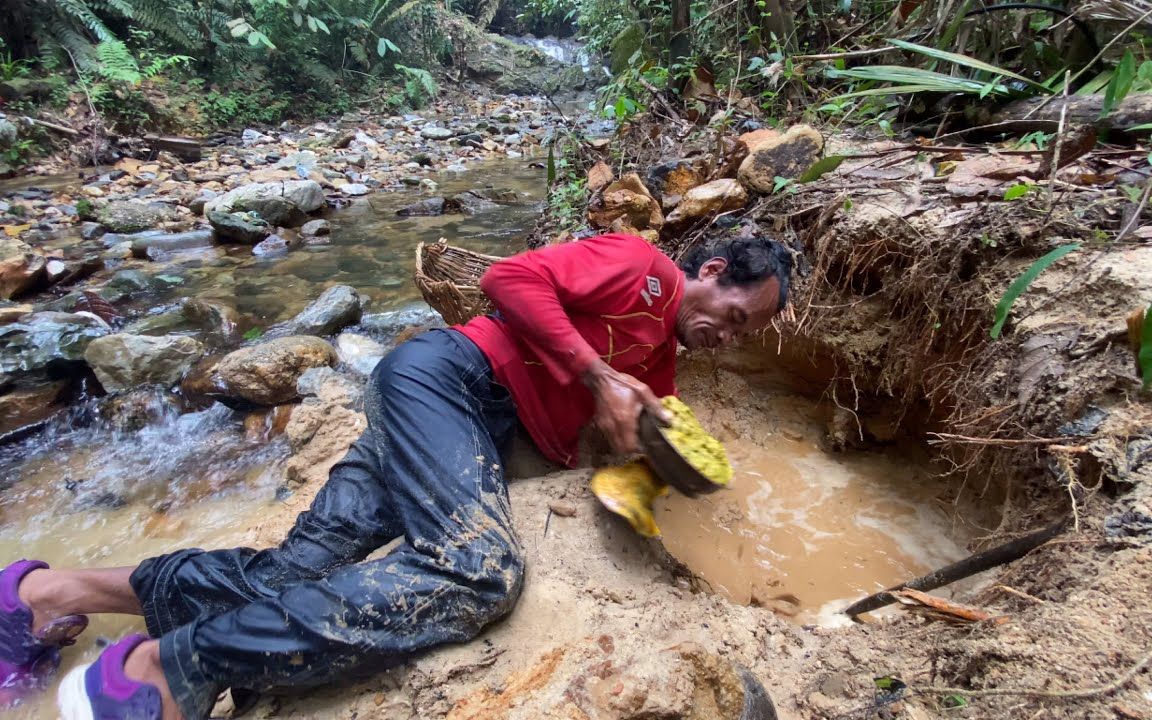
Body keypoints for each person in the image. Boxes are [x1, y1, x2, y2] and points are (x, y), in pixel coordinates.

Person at [0, 232, 792, 720]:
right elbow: (509, 280)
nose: (730, 333)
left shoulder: (659, 368)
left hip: (456, 423)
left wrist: (652, 481)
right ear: (712, 270)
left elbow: (630, 464)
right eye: (734, 312)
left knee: (297, 570)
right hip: (446, 381)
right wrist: (595, 377)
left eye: (746, 332)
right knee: (478, 570)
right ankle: (166, 669)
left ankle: (47, 596)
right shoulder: (642, 269)